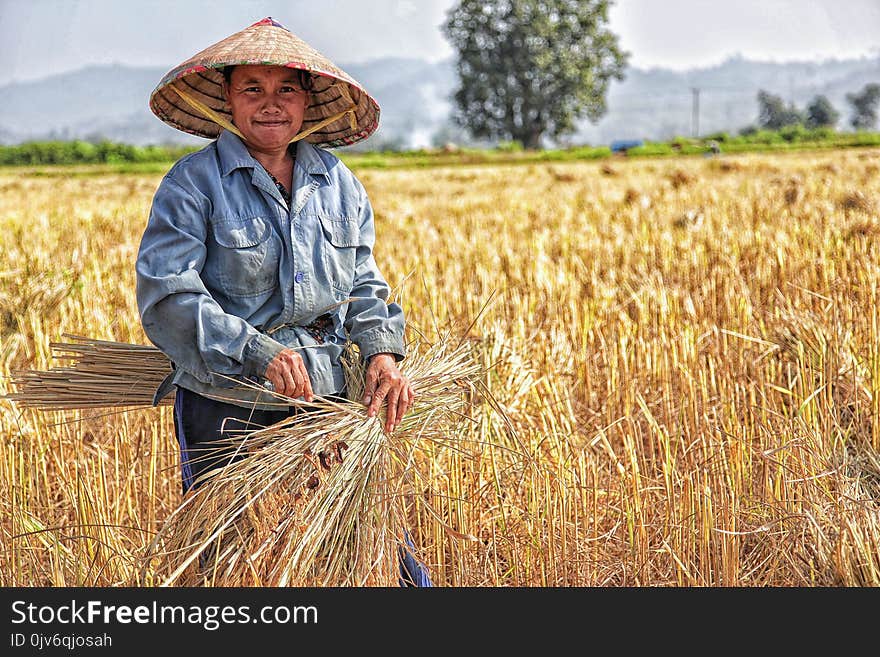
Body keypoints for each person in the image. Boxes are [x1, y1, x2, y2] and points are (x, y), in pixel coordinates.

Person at [136, 17, 431, 587]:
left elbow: (364, 282)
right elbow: (168, 295)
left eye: (285, 89)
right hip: (227, 398)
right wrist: (257, 352)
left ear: (306, 100)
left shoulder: (337, 182)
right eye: (253, 88)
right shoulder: (193, 184)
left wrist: (382, 353)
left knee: (377, 550)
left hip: (329, 395)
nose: (270, 104)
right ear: (227, 97)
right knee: (225, 560)